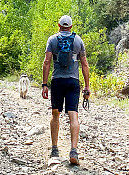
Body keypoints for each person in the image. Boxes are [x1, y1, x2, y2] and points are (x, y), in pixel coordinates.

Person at [42, 14, 90, 166]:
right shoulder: (78, 40)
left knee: (55, 113)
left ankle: (55, 149)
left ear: (59, 26)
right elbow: (84, 64)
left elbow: (47, 62)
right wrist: (87, 86)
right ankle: (73, 150)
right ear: (70, 27)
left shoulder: (52, 40)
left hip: (57, 81)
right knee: (73, 115)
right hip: (73, 81)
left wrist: (44, 84)